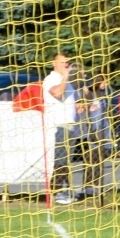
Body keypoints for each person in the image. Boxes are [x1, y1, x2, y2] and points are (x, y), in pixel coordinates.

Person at [41, 52, 81, 205]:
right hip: (58, 126)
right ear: (54, 63)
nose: (66, 65)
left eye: (67, 63)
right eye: (63, 62)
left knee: (65, 161)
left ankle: (63, 190)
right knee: (60, 161)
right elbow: (57, 93)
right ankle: (57, 193)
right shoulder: (51, 79)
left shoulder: (67, 82)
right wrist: (64, 77)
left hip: (69, 126)